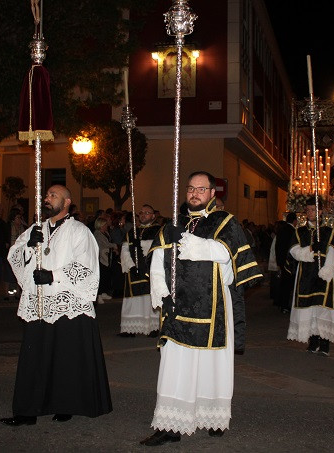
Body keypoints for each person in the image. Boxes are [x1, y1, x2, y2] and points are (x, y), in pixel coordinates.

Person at [140, 172, 262, 446]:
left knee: (212, 365)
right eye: (190, 188)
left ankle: (212, 416)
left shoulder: (225, 222)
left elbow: (225, 255)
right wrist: (161, 294)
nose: (194, 193)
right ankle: (170, 425)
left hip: (214, 306)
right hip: (177, 305)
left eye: (201, 189)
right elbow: (157, 262)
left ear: (212, 193)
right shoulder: (174, 222)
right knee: (175, 365)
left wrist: (183, 239)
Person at [0, 184, 111, 426]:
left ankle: (65, 404)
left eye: (53, 195)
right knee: (36, 359)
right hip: (40, 303)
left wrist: (53, 275)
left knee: (65, 359)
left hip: (68, 303)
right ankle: (27, 411)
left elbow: (87, 266)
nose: (47, 199)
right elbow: (15, 257)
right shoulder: (35, 229)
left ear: (68, 201)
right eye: (46, 195)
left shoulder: (80, 231)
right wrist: (29, 244)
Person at [286, 197, 334, 357]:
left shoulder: (329, 232)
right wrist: (312, 248)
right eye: (307, 210)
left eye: (313, 210)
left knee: (323, 309)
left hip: (324, 276)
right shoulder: (299, 232)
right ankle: (312, 340)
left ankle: (324, 343)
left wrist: (327, 270)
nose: (310, 213)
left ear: (320, 211)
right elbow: (294, 252)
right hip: (306, 276)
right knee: (309, 308)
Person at [119, 204, 161, 337]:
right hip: (133, 269)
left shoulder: (158, 230)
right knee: (133, 298)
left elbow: (158, 249)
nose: (143, 215)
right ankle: (130, 329)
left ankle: (152, 327)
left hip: (150, 268)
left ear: (153, 216)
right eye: (141, 213)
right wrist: (131, 265)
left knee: (149, 298)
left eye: (147, 213)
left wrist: (141, 246)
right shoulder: (132, 232)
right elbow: (125, 249)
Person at [275, 212, 298, 313]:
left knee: (284, 283)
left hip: (281, 260)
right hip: (290, 262)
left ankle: (281, 304)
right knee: (288, 284)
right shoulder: (293, 231)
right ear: (295, 221)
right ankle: (285, 305)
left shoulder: (281, 230)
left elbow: (277, 247)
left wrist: (279, 261)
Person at [93, 216, 117, 303]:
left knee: (106, 275)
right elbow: (103, 245)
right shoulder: (97, 234)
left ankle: (103, 292)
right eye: (105, 224)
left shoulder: (106, 232)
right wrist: (114, 246)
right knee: (101, 276)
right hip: (101, 257)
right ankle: (98, 295)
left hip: (107, 257)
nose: (106, 225)